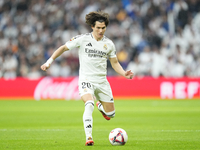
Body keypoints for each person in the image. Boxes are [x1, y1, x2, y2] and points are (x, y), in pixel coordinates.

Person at [41, 11, 134, 146]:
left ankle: (101, 106)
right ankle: (89, 137)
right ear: (92, 26)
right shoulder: (83, 39)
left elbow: (114, 63)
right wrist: (48, 62)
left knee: (111, 114)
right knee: (89, 104)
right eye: (98, 28)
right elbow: (63, 48)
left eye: (103, 28)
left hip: (102, 81)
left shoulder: (109, 44)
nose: (101, 30)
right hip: (86, 79)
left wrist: (124, 73)